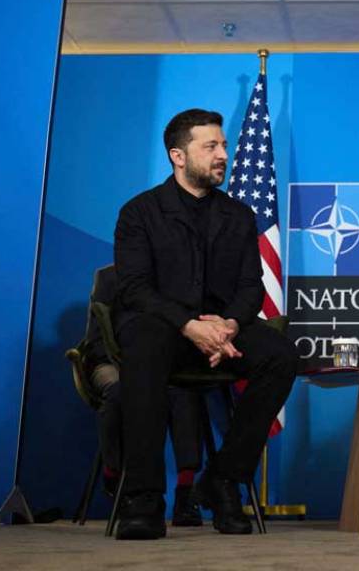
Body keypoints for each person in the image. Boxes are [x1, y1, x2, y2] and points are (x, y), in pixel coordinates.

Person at [112, 108, 298, 540]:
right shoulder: (139, 212)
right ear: (178, 155)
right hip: (164, 328)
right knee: (143, 344)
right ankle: (144, 498)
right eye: (210, 146)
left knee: (281, 356)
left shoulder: (238, 215)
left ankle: (224, 479)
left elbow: (252, 287)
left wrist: (229, 325)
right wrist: (189, 326)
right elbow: (136, 288)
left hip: (222, 331)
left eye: (224, 146)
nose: (222, 155)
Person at [81, 265, 203, 527]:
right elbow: (95, 338)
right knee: (122, 393)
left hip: (161, 367)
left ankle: (186, 492)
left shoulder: (173, 279)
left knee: (184, 394)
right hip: (111, 364)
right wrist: (132, 365)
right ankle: (114, 476)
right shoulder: (109, 276)